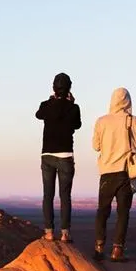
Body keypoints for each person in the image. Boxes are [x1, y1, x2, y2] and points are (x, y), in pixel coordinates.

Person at [92, 87, 136, 262]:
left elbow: (96, 146)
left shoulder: (101, 121)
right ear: (128, 101)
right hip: (126, 174)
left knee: (103, 210)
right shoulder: (135, 121)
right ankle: (117, 251)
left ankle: (99, 247)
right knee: (123, 213)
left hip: (106, 173)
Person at [35, 73, 81, 242]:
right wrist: (70, 103)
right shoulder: (73, 108)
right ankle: (64, 234)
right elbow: (77, 125)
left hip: (47, 155)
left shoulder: (46, 105)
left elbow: (38, 114)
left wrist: (52, 101)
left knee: (48, 195)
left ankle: (48, 233)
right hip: (65, 155)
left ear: (54, 88)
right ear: (69, 88)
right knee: (65, 196)